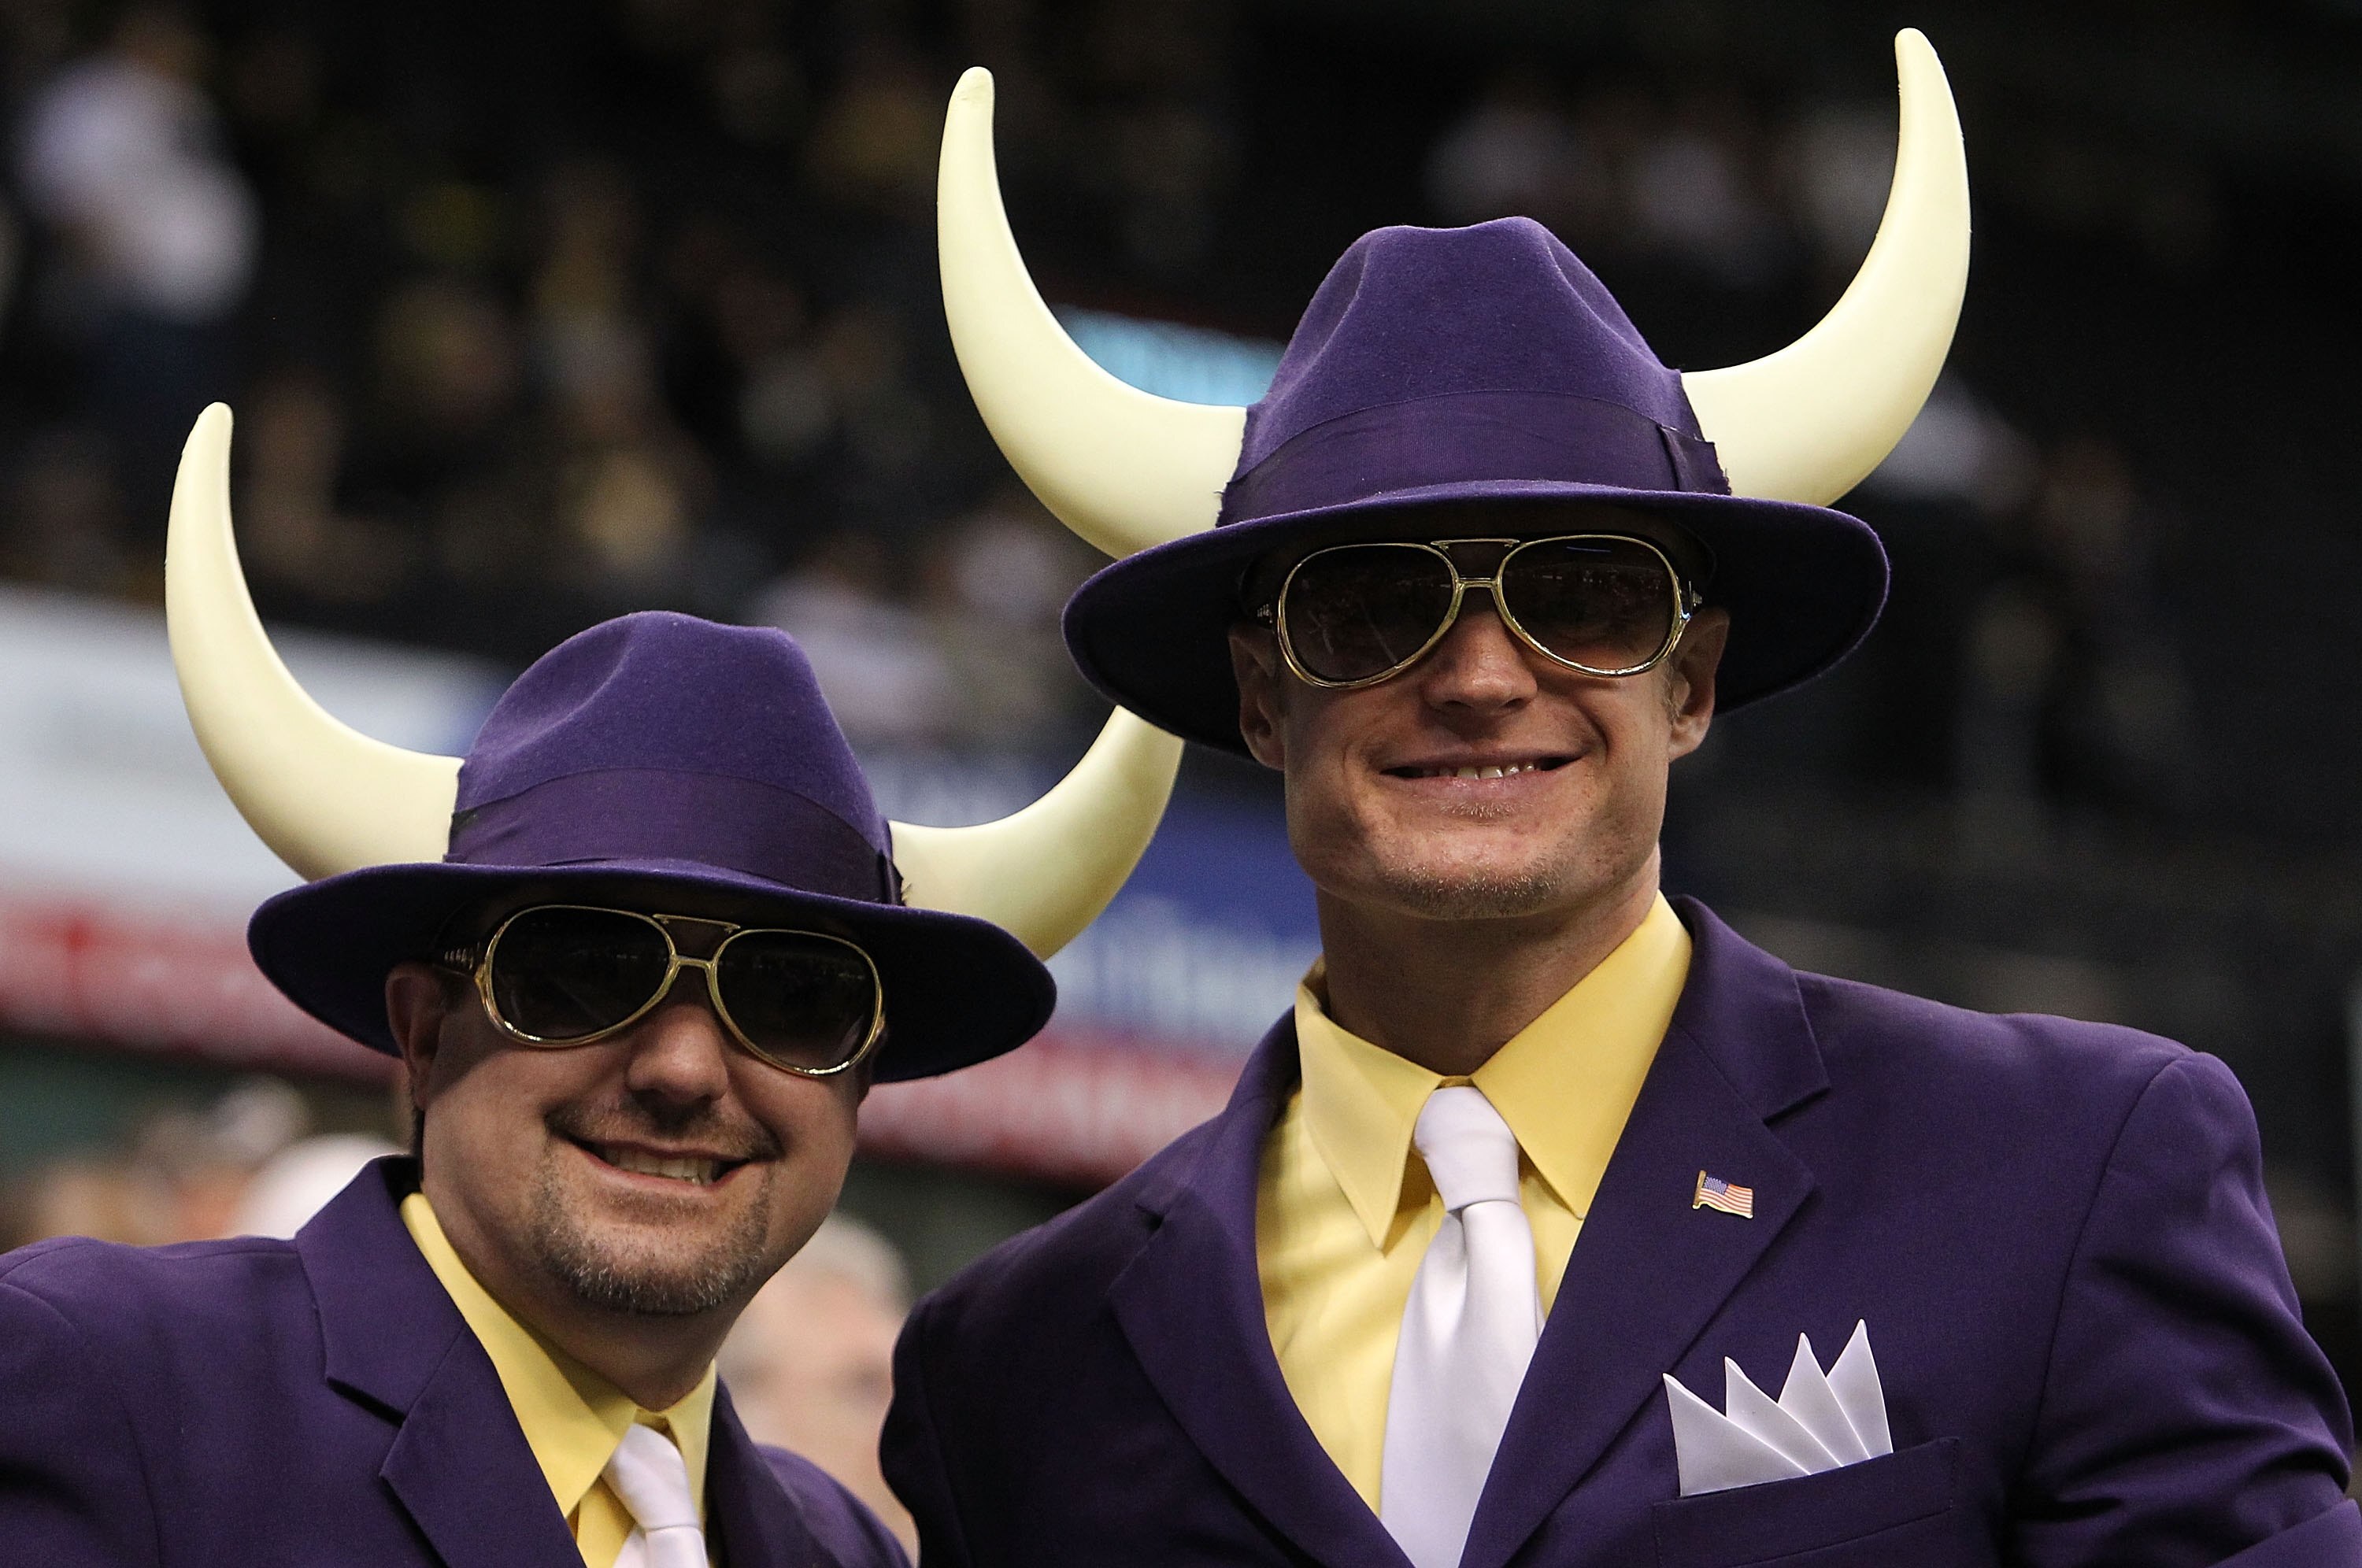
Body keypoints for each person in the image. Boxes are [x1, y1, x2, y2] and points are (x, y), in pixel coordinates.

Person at [876, 36, 2362, 1568]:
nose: (1477, 675)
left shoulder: (2067, 1173)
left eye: (1580, 595)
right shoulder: (1012, 1369)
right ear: (1262, 698)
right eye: (1372, 608)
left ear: (1693, 680)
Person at [0, 405, 1179, 1565]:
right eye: (580, 973)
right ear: (421, 1032)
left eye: (792, 998)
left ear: (862, 1079)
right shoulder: (104, 1386)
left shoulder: (844, 1554)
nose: (682, 1067)